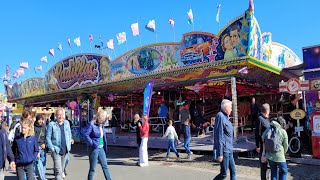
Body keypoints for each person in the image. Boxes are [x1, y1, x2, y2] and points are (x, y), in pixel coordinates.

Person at [85, 110, 112, 180]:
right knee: (92, 168)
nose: (103, 121)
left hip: (101, 148)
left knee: (105, 166)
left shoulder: (101, 124)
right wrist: (92, 143)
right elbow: (86, 135)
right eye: (102, 119)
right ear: (98, 117)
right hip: (94, 148)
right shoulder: (91, 124)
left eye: (104, 119)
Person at [46, 108, 72, 180]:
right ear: (55, 116)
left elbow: (69, 134)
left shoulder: (67, 123)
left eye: (61, 114)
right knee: (59, 171)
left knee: (62, 169)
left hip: (65, 150)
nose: (60, 116)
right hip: (56, 150)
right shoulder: (51, 124)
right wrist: (52, 148)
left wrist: (69, 143)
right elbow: (48, 138)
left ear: (64, 115)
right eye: (58, 115)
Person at [213, 99, 236, 180]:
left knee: (233, 171)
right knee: (224, 173)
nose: (231, 109)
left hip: (229, 149)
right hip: (225, 150)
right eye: (230, 107)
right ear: (225, 107)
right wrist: (220, 153)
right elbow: (219, 135)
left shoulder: (227, 118)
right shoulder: (220, 116)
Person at [255, 103, 271, 180]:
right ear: (267, 110)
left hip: (268, 145)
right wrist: (257, 146)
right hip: (262, 146)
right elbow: (257, 133)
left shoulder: (267, 119)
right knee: (263, 165)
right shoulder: (260, 119)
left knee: (267, 165)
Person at [34, 115, 47, 180]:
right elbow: (33, 138)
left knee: (43, 162)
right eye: (39, 119)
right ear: (36, 120)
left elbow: (46, 136)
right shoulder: (33, 127)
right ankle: (42, 178)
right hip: (37, 148)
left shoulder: (44, 127)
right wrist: (36, 147)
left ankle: (42, 175)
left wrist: (45, 144)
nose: (40, 121)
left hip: (43, 147)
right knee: (38, 163)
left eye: (41, 120)